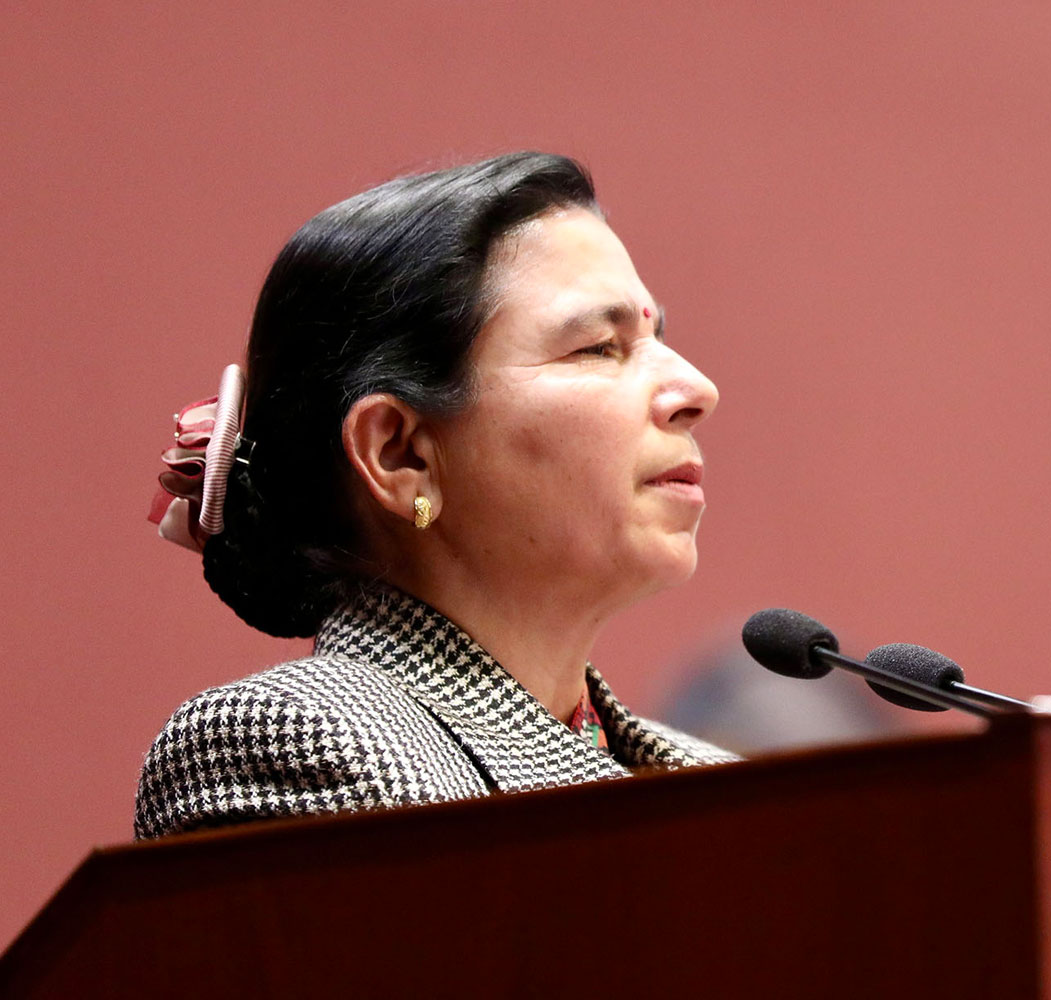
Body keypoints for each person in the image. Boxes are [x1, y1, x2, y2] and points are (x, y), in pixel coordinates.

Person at [135, 152, 738, 840]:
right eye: (600, 347)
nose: (697, 389)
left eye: (657, 337)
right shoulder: (294, 745)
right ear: (402, 454)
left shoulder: (720, 782)